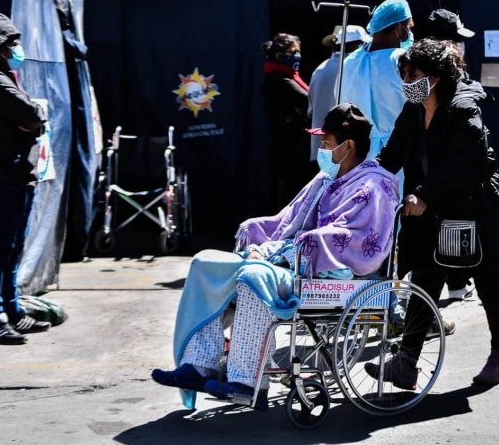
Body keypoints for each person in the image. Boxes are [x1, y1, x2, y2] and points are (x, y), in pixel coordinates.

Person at [152, 104, 400, 409]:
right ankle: (198, 364)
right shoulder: (324, 179)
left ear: (347, 146)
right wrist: (259, 241)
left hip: (325, 275)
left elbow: (354, 243)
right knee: (205, 263)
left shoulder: (376, 185)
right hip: (292, 261)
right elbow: (286, 221)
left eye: (326, 143)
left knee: (254, 277)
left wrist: (270, 253)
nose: (321, 148)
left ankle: (247, 380)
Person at [373, 38, 499, 387]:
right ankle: (406, 362)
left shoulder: (464, 107)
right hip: (433, 213)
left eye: (413, 76)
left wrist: (424, 193)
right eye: (404, 76)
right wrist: (365, 177)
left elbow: (465, 161)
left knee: (490, 285)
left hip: (476, 211)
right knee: (425, 280)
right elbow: (393, 152)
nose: (407, 83)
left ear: (437, 76)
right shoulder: (413, 108)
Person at [0, 12, 51, 344]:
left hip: (14, 177)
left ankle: (11, 311)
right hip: (2, 178)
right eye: (10, 42)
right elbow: (31, 115)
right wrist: (36, 117)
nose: (17, 47)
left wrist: (33, 119)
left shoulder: (4, 77)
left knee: (11, 250)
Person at [424, 8, 477, 301]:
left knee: (442, 222)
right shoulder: (448, 73)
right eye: (456, 39)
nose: (460, 45)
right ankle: (455, 283)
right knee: (452, 219)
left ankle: (454, 281)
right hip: (448, 162)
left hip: (432, 162)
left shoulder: (417, 68)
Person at [340, 0, 414, 158]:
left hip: (358, 154)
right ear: (398, 28)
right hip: (399, 153)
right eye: (409, 27)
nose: (410, 32)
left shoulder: (349, 62)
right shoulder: (403, 61)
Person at [261, 33, 310, 211]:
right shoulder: (279, 80)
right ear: (279, 56)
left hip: (288, 145)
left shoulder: (286, 78)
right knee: (288, 194)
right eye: (293, 51)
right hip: (287, 147)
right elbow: (308, 102)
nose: (297, 55)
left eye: (298, 51)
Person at [308, 24, 370, 161]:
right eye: (362, 45)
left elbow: (310, 111)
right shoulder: (353, 69)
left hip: (321, 152)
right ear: (354, 46)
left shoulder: (319, 69)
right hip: (342, 154)